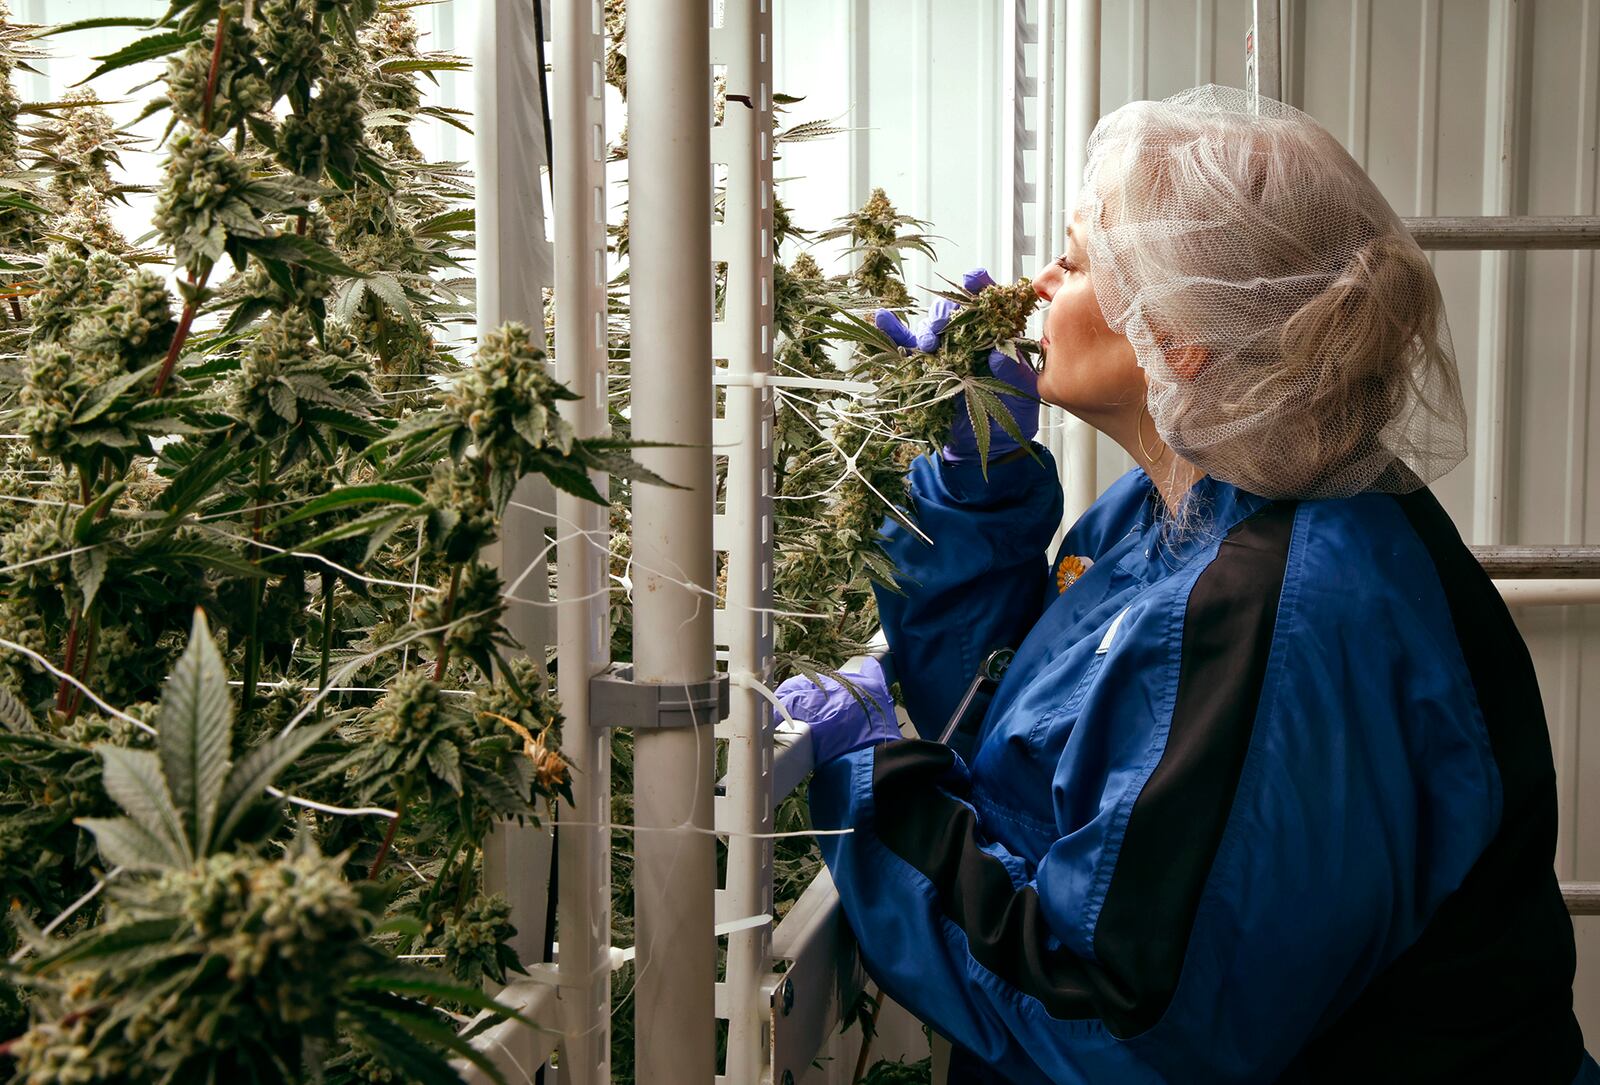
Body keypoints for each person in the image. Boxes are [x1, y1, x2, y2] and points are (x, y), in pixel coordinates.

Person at [776, 86, 1600, 1084]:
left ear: (1181, 333)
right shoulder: (1186, 506)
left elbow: (1120, 1020)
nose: (1038, 283)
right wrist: (974, 496)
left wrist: (870, 791)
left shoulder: (1295, 611)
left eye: (1077, 263)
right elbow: (1016, 737)